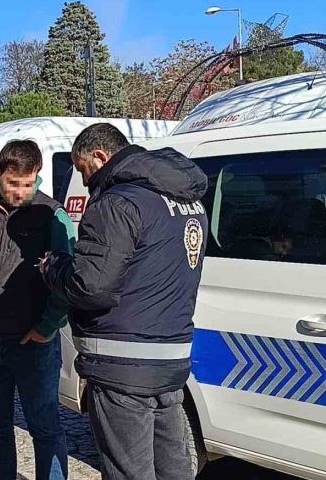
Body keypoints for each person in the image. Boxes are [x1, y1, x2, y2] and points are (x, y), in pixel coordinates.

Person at [40, 123, 208, 480]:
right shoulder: (187, 200)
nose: (85, 182)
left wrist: (54, 266)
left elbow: (91, 286)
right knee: (174, 468)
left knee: (129, 471)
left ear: (100, 157)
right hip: (170, 357)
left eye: (84, 170)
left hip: (122, 363)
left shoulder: (116, 203)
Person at [0, 140, 74, 480]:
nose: (20, 191)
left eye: (27, 183)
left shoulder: (52, 214)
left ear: (37, 177)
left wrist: (48, 327)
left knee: (45, 427)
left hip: (33, 343)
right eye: (12, 183)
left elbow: (66, 281)